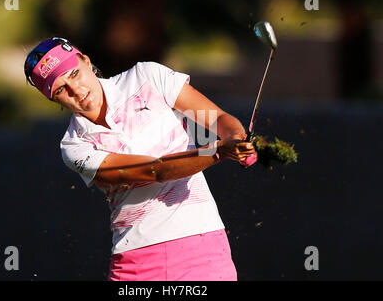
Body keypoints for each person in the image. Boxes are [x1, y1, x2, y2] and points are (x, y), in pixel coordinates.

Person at [24, 37, 257, 281]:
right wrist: (219, 151)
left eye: (74, 74)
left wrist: (238, 138)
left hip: (202, 245)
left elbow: (215, 118)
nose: (76, 90)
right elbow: (154, 170)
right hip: (137, 263)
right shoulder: (75, 146)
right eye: (61, 89)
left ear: (86, 60)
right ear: (53, 98)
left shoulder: (146, 76)